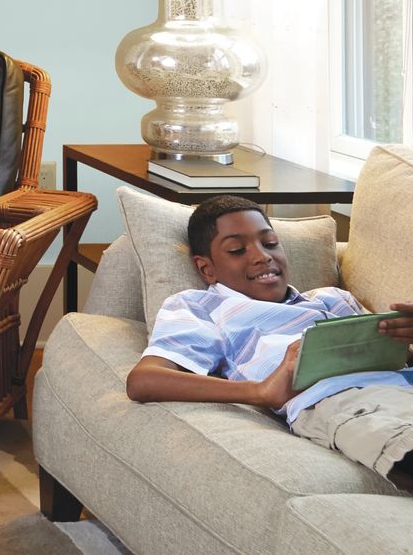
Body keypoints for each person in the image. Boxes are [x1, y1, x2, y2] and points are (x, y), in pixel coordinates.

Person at [127, 196, 413, 489]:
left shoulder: (332, 298)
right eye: (237, 250)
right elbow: (144, 380)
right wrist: (261, 391)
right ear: (207, 269)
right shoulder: (203, 307)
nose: (262, 256)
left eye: (271, 243)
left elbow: (397, 357)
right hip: (340, 401)